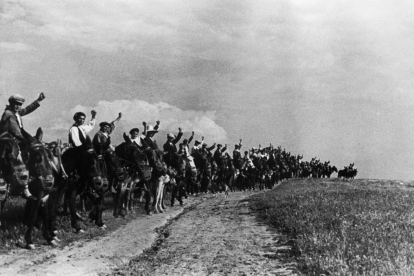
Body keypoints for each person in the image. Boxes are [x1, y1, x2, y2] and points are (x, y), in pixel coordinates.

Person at [0, 93, 46, 200]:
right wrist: (28, 141)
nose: (18, 106)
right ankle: (24, 188)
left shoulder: (15, 112)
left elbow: (27, 110)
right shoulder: (8, 114)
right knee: (20, 159)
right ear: (11, 103)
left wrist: (38, 100)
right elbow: (16, 132)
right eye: (16, 104)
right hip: (8, 143)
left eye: (20, 104)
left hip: (15, 141)